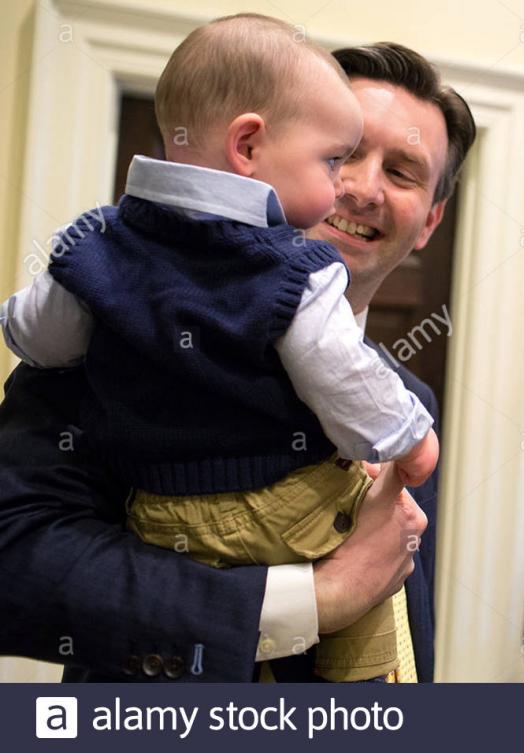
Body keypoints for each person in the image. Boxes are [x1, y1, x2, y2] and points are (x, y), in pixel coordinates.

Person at [0, 41, 476, 683]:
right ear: (253, 151)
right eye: (342, 155)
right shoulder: (109, 328)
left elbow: (404, 597)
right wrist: (317, 600)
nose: (359, 187)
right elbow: (17, 561)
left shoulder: (410, 400)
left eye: (403, 171)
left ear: (429, 221)